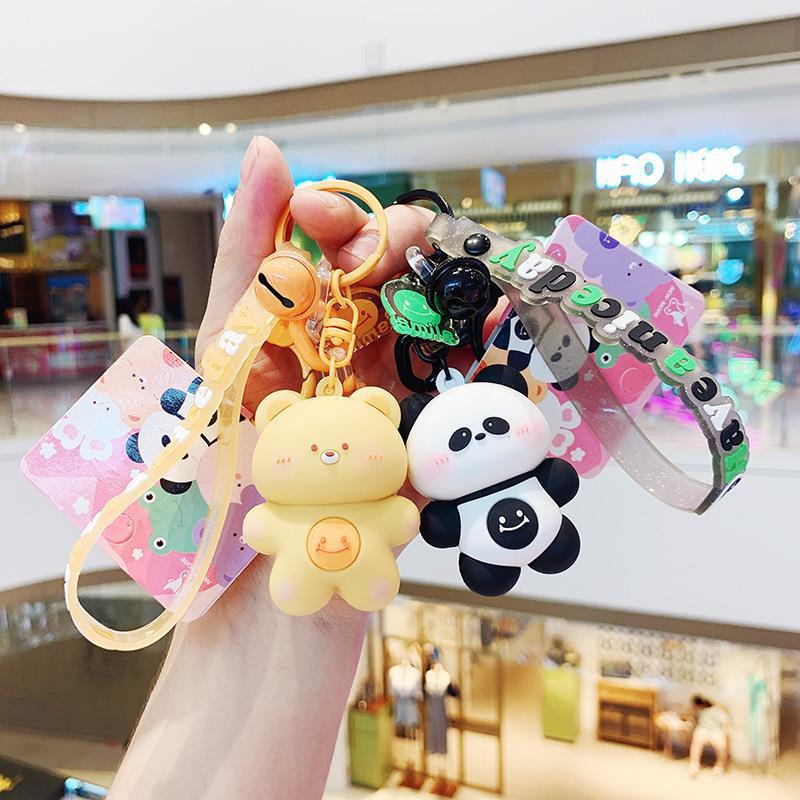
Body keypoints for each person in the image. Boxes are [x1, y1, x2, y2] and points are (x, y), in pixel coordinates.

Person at [108, 137, 493, 800]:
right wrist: (256, 589)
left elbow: (389, 518)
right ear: (276, 419)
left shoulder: (370, 418)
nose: (330, 455)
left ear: (379, 414)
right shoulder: (272, 417)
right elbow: (266, 527)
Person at [689, 694, 731, 777]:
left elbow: (726, 722)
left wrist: (726, 732)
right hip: (703, 730)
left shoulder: (718, 710)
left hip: (716, 731)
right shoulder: (701, 712)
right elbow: (695, 721)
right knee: (697, 739)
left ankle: (720, 766)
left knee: (721, 744)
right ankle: (694, 764)